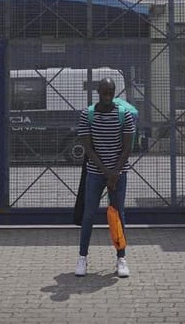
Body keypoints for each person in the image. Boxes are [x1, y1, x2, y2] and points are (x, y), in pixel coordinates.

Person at [75, 77, 134, 278]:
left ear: (114, 92)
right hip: (95, 173)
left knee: (118, 215)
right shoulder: (87, 115)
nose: (107, 97)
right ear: (98, 92)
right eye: (104, 93)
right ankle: (82, 258)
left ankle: (121, 258)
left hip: (118, 173)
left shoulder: (123, 114)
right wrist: (106, 172)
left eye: (110, 93)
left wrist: (115, 173)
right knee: (88, 215)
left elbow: (127, 147)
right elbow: (88, 148)